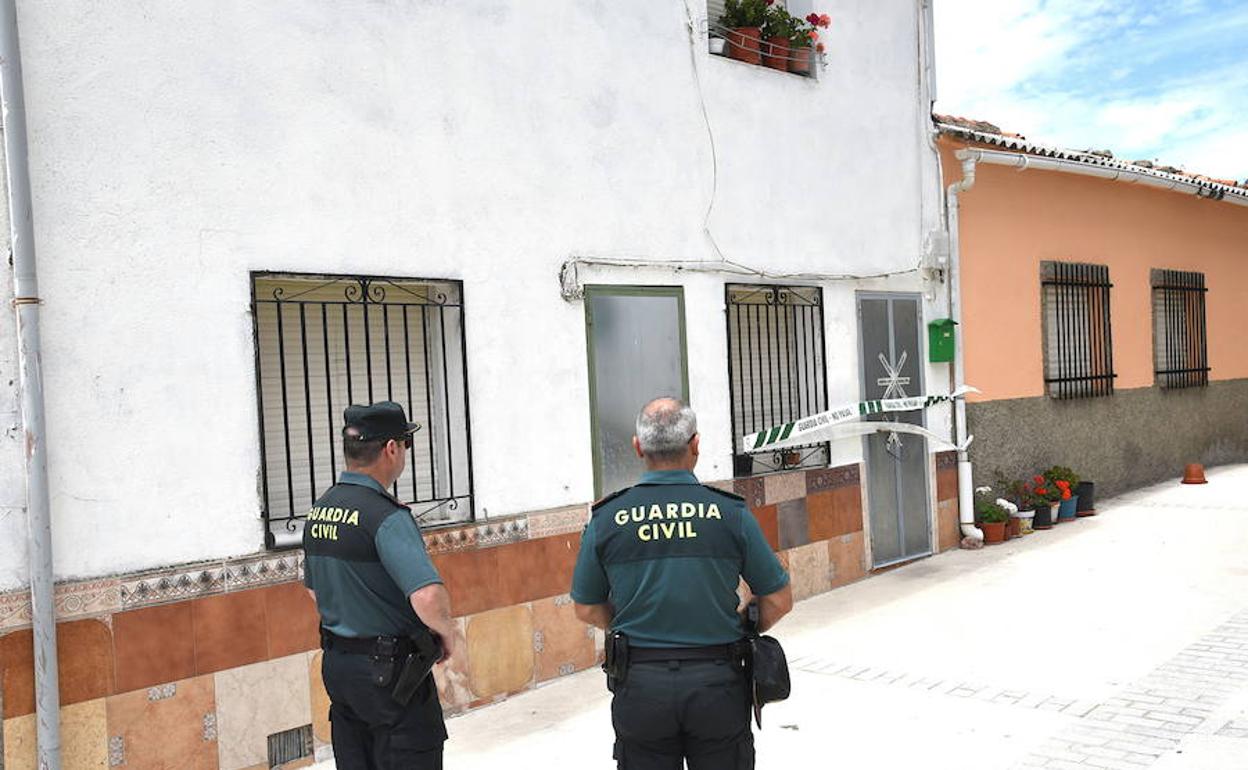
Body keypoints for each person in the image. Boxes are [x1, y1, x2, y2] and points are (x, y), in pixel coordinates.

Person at [571, 397, 794, 770]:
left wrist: (630, 624)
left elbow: (586, 607)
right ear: (696, 445)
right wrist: (741, 625)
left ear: (638, 447)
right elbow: (779, 599)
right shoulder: (730, 513)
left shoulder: (606, 519)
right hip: (718, 684)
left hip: (641, 685)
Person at [303, 401, 457, 770]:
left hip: (340, 668)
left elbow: (314, 590)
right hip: (391, 678)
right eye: (405, 444)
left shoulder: (320, 510)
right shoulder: (385, 515)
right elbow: (427, 594)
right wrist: (448, 634)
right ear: (391, 448)